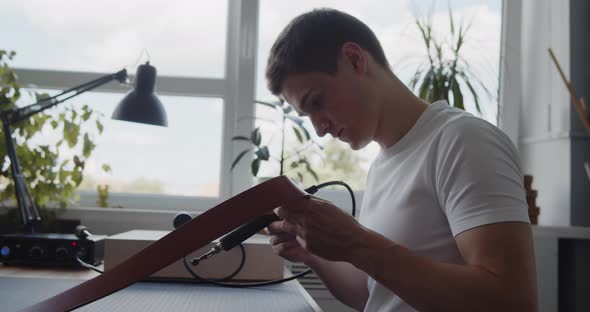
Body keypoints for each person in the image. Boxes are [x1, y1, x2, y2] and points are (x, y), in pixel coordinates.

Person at [264, 8, 538, 312]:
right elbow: (377, 297)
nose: (319, 128)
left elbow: (513, 301)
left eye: (316, 102)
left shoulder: (463, 141)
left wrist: (358, 243)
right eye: (307, 115)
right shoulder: (382, 166)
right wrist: (310, 252)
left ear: (355, 59)